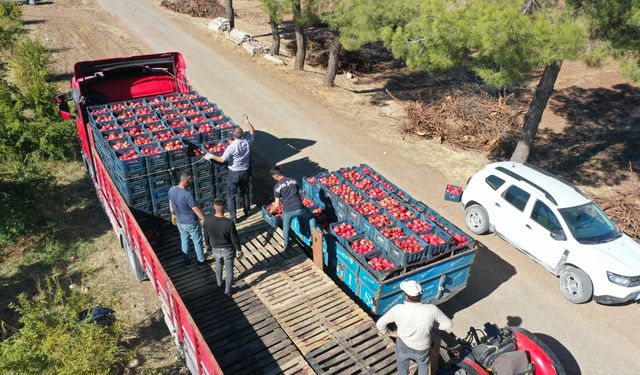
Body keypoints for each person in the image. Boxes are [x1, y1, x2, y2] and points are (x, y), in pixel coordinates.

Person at [375, 280, 453, 375]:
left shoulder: (397, 309)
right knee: (423, 365)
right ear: (421, 295)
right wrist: (431, 324)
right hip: (422, 347)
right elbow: (448, 324)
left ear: (406, 295)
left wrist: (391, 333)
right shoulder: (432, 309)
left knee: (402, 365)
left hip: (403, 343)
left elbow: (380, 324)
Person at [204, 114, 255, 222]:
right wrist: (247, 121)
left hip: (234, 173)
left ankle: (233, 217)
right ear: (242, 135)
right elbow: (252, 131)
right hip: (245, 171)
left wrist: (211, 155)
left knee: (231, 195)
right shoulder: (247, 141)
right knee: (245, 192)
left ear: (234, 135)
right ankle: (247, 211)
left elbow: (222, 160)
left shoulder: (231, 147)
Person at [269, 166, 316, 250]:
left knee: (286, 226)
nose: (274, 179)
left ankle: (286, 245)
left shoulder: (277, 187)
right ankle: (312, 236)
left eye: (273, 177)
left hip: (288, 210)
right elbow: (298, 193)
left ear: (276, 176)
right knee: (311, 218)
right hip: (300, 207)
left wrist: (270, 212)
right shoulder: (293, 180)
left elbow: (276, 205)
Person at [203, 198, 243, 295]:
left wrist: (208, 245)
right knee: (229, 270)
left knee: (218, 265)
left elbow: (206, 235)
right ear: (225, 208)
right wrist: (239, 250)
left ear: (214, 207)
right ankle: (227, 291)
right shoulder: (229, 223)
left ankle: (219, 283)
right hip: (228, 250)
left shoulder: (207, 220)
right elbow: (235, 239)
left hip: (215, 249)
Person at [168, 171, 207, 268]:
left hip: (180, 222)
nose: (192, 181)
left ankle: (187, 262)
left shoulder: (172, 189)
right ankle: (201, 262)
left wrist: (173, 216)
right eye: (191, 180)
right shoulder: (188, 195)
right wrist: (205, 220)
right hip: (191, 222)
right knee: (197, 242)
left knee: (184, 241)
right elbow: (196, 210)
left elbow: (171, 203)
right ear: (186, 180)